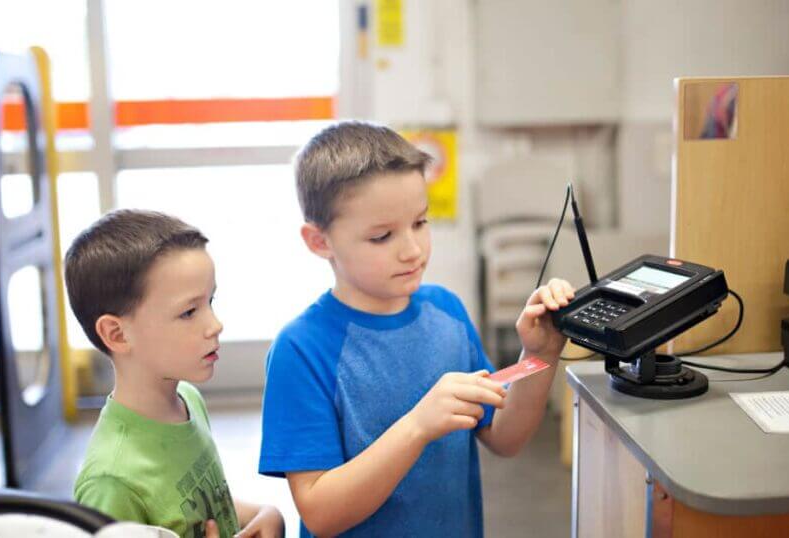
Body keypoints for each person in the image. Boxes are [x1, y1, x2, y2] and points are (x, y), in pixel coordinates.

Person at [260, 121, 575, 537]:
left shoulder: (446, 311)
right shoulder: (300, 349)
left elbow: (505, 437)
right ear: (320, 242)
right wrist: (417, 426)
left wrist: (540, 355)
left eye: (420, 223)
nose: (412, 249)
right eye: (381, 236)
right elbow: (320, 513)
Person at [65, 209, 284, 538]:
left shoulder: (188, 401)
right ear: (117, 334)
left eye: (210, 302)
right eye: (189, 312)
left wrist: (264, 514)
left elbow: (202, 504)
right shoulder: (111, 480)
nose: (215, 325)